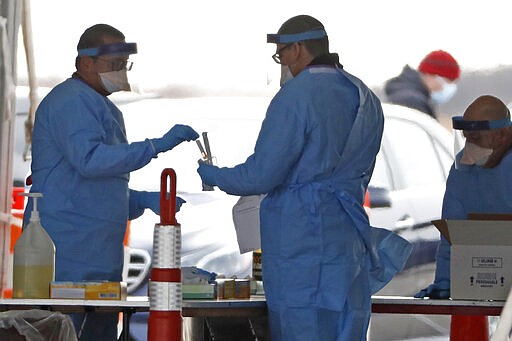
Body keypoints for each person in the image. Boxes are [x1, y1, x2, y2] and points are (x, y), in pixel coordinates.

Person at [197, 15, 411, 340]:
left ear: (297, 49)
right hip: (346, 241)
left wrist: (213, 173)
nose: (281, 63)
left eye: (280, 55)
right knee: (346, 327)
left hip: (301, 245)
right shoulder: (364, 96)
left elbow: (261, 175)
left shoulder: (296, 96)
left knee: (302, 328)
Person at [23, 24, 198, 340]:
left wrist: (139, 200)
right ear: (86, 63)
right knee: (63, 331)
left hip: (99, 258)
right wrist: (154, 146)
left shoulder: (102, 107)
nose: (120, 71)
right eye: (113, 64)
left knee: (98, 331)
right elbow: (89, 161)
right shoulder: (70, 101)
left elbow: (99, 189)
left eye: (124, 64)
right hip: (66, 252)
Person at [415, 95, 512, 299]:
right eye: (466, 138)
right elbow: (454, 231)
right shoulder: (463, 168)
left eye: (476, 139)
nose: (469, 148)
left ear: (502, 135)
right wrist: (445, 281)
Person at [384, 50, 460, 119]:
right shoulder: (412, 102)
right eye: (448, 82)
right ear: (432, 75)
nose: (449, 88)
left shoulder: (410, 96)